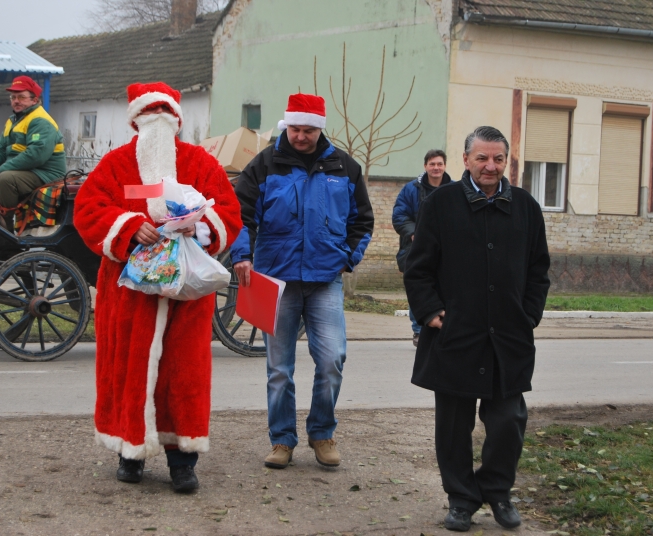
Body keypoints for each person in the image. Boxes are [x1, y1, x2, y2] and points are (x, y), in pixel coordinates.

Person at [74, 82, 242, 493]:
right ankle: (129, 452)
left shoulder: (201, 163)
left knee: (184, 375)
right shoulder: (115, 164)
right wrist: (129, 227)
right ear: (136, 121)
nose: (158, 122)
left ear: (177, 121)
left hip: (186, 295)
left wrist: (199, 226)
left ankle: (183, 460)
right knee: (127, 370)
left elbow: (228, 211)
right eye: (150, 115)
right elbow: (89, 208)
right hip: (129, 296)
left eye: (165, 115)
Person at [404, 126, 550, 531]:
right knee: (453, 427)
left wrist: (528, 315)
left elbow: (539, 269)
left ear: (506, 161)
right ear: (466, 159)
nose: (490, 166)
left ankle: (498, 491)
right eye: (482, 158)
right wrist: (429, 311)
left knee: (508, 422)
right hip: (455, 334)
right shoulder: (440, 204)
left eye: (498, 159)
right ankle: (462, 500)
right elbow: (418, 267)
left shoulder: (525, 206)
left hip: (508, 336)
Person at [231, 93, 374, 470]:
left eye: (308, 130)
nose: (300, 136)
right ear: (287, 125)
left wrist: (348, 257)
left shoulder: (344, 167)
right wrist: (242, 254)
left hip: (325, 279)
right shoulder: (264, 165)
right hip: (276, 280)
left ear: (319, 129)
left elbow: (362, 221)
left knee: (332, 360)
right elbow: (239, 214)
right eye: (294, 129)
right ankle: (282, 440)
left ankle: (322, 432)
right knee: (279, 369)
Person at [0, 76, 66, 224]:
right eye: (13, 97)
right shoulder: (12, 121)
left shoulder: (41, 121)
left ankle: (4, 226)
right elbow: (0, 149)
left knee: (6, 179)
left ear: (34, 100)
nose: (16, 101)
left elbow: (36, 155)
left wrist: (2, 169)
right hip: (24, 170)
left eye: (21, 97)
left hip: (45, 173)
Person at [392, 149, 451, 347]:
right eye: (432, 164)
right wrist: (413, 233)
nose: (436, 168)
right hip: (417, 249)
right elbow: (399, 216)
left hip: (446, 252)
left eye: (439, 164)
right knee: (418, 286)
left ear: (444, 166)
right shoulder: (411, 190)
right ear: (425, 166)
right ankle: (418, 331)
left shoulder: (454, 190)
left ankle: (443, 325)